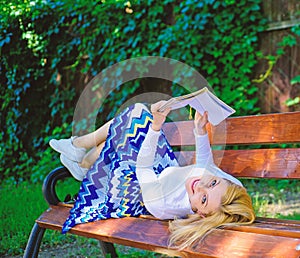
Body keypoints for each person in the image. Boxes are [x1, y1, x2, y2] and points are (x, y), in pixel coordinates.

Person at [49, 101, 255, 249]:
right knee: (135, 116)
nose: (200, 185)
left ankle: (80, 152)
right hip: (163, 173)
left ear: (200, 213)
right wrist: (200, 131)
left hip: (134, 189)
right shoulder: (227, 191)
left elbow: (143, 169)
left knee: (127, 130)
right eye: (212, 183)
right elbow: (206, 168)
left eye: (203, 198)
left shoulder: (163, 203)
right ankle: (82, 159)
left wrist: (156, 126)